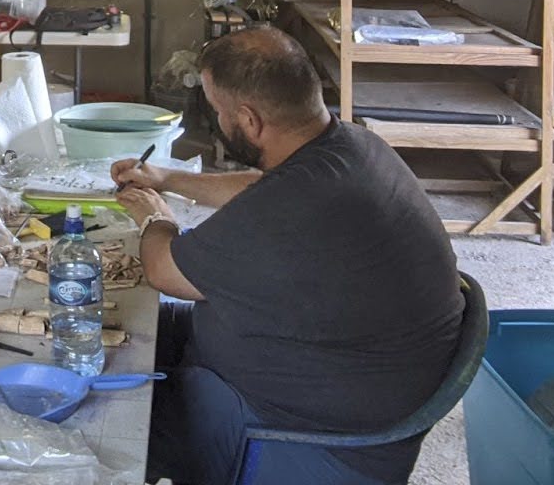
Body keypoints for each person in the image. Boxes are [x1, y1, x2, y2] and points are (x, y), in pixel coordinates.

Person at [112, 27, 463, 485]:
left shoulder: (295, 207)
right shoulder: (349, 147)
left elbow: (164, 269)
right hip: (346, 378)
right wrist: (167, 178)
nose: (218, 119)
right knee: (131, 329)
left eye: (218, 111)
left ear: (249, 120)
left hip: (311, 433)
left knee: (110, 420)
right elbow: (265, 189)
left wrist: (154, 215)